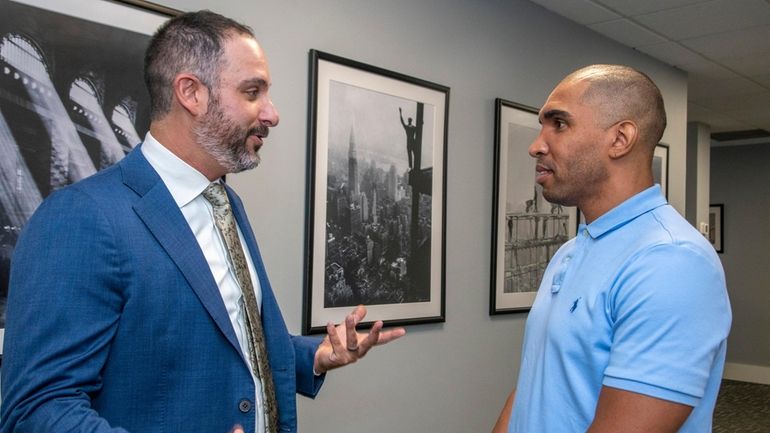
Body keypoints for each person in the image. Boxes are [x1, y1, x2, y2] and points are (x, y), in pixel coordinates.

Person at [1, 10, 405, 433]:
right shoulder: (80, 217)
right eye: (253, 92)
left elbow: (222, 342)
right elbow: (38, 410)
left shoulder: (224, 202)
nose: (272, 114)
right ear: (191, 93)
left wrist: (314, 355)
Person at [491, 65, 731, 433]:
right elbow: (533, 386)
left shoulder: (671, 261)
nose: (536, 144)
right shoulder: (570, 252)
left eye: (559, 124)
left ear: (620, 139)